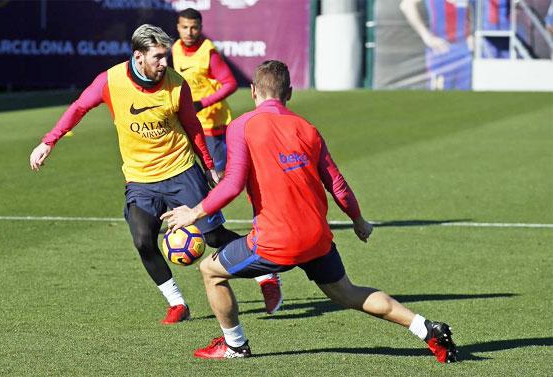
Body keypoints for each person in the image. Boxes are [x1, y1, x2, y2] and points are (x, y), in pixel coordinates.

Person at [161, 60, 459, 363]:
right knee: (346, 292)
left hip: (276, 241)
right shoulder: (308, 129)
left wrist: (194, 213)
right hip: (317, 238)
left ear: (252, 91)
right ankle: (426, 328)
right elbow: (338, 185)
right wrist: (358, 222)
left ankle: (235, 345)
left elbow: (233, 183)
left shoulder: (243, 125)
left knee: (210, 271)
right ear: (289, 92)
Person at [29, 25, 274, 325]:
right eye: (158, 57)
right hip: (140, 178)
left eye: (166, 56)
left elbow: (193, 127)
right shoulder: (111, 80)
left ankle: (265, 273)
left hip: (181, 170)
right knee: (143, 239)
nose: (164, 63)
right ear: (138, 56)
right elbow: (79, 107)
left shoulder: (176, 85)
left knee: (213, 236)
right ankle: (177, 303)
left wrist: (208, 165)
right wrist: (48, 141)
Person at [172, 7, 282, 315]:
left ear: (200, 27)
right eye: (185, 27)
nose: (190, 32)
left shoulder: (208, 51)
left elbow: (229, 83)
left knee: (221, 190)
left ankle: (259, 258)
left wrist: (202, 103)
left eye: (194, 27)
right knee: (209, 201)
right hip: (191, 130)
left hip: (215, 129)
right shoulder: (176, 50)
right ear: (178, 28)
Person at [400, 0, 473, 90]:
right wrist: (426, 36)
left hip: (464, 52)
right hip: (440, 52)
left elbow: (470, 11)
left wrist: (471, 34)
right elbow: (406, 5)